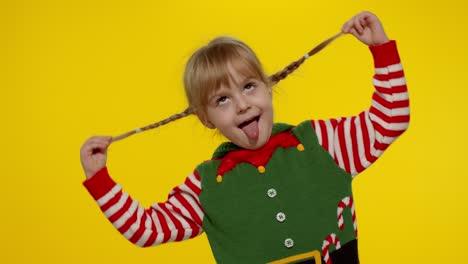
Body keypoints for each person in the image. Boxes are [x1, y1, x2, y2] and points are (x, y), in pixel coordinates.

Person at [80, 11, 409, 264]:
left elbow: (390, 119)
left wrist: (381, 49)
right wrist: (100, 179)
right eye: (222, 99)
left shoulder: (323, 143)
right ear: (206, 118)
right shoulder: (205, 186)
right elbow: (146, 229)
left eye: (248, 86)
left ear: (269, 86)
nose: (241, 105)